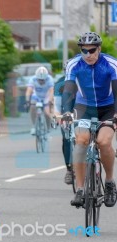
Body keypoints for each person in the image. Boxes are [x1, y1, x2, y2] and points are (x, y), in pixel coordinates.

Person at [62, 32, 117, 207]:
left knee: (104, 141)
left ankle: (109, 182)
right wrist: (66, 112)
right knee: (81, 141)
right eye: (84, 51)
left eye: (92, 50)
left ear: (99, 49)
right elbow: (69, 89)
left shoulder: (111, 64)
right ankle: (80, 189)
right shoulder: (74, 64)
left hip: (108, 108)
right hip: (83, 108)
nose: (88, 55)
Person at [53, 59, 75, 185]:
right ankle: (69, 169)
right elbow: (56, 105)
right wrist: (57, 116)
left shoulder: (82, 80)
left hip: (80, 112)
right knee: (66, 140)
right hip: (65, 113)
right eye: (66, 71)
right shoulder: (59, 83)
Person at [25, 66, 54, 135]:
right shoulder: (32, 79)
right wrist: (27, 101)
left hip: (46, 96)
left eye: (43, 80)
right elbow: (29, 91)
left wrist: (50, 101)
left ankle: (47, 128)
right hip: (36, 96)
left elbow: (51, 91)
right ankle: (34, 127)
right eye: (39, 80)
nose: (41, 81)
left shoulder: (49, 79)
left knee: (47, 112)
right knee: (32, 107)